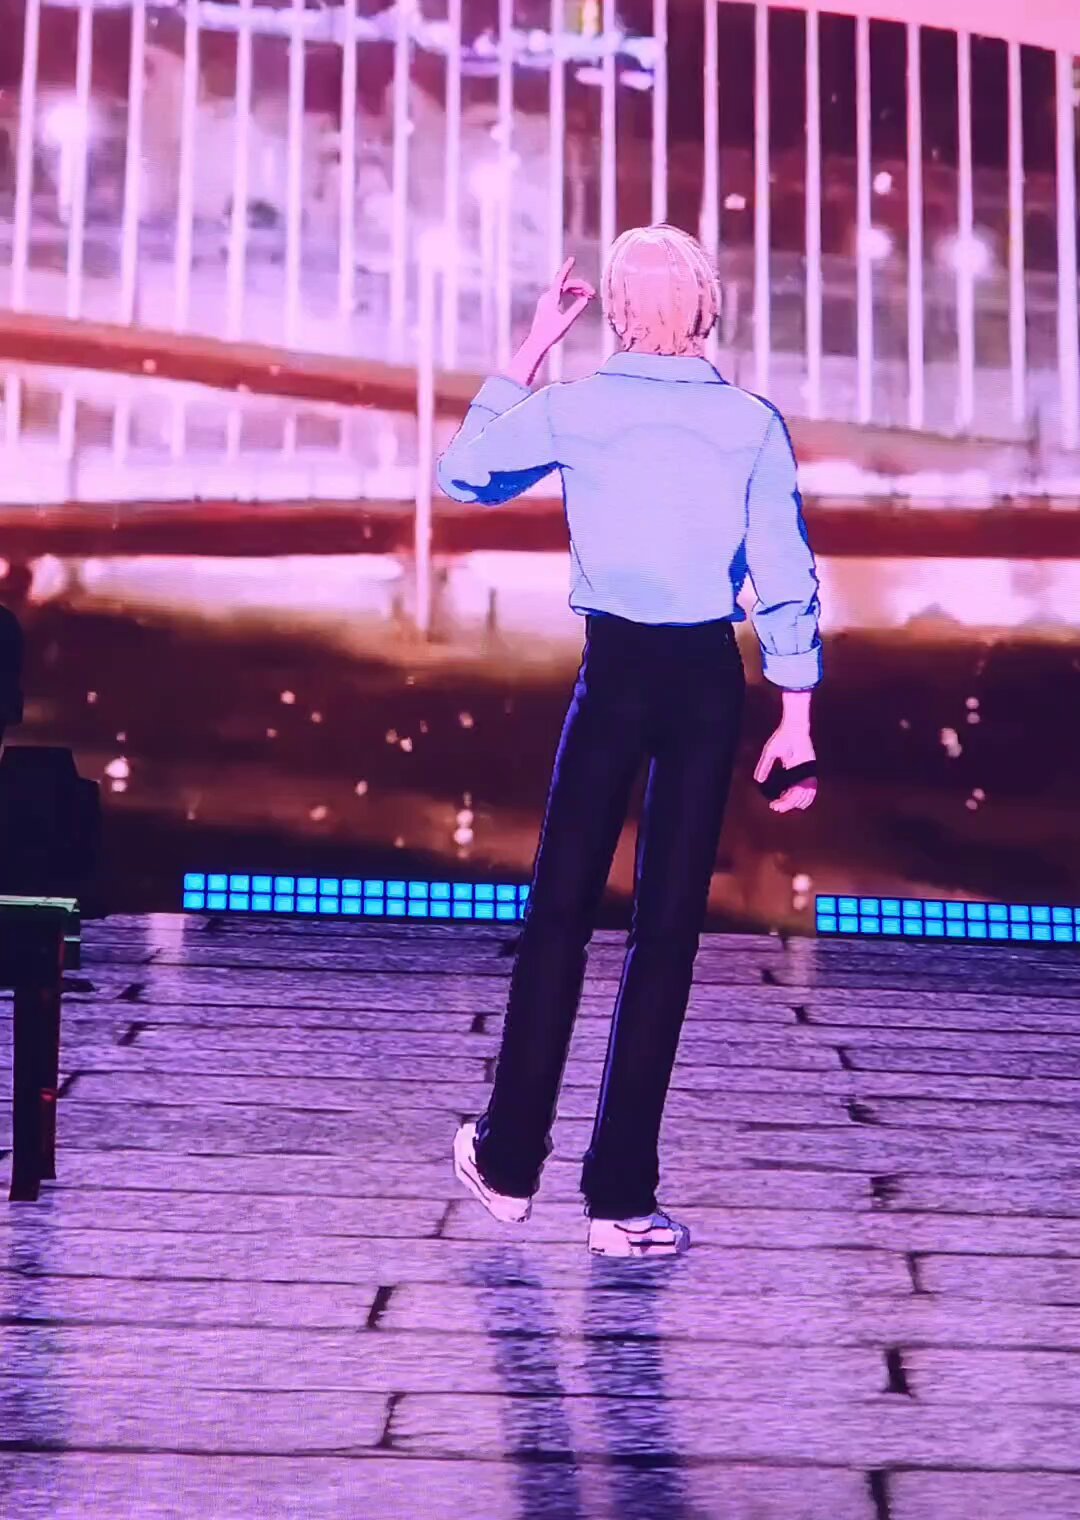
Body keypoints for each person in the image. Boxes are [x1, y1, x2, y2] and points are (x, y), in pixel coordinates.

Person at [438, 224, 821, 1258]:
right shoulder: (750, 424)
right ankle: (621, 1200)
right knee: (667, 935)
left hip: (613, 674)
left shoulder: (578, 407)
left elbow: (464, 474)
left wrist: (529, 347)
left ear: (612, 310)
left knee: (559, 913)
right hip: (704, 681)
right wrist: (795, 720)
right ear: (708, 306)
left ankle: (509, 1164)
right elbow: (785, 577)